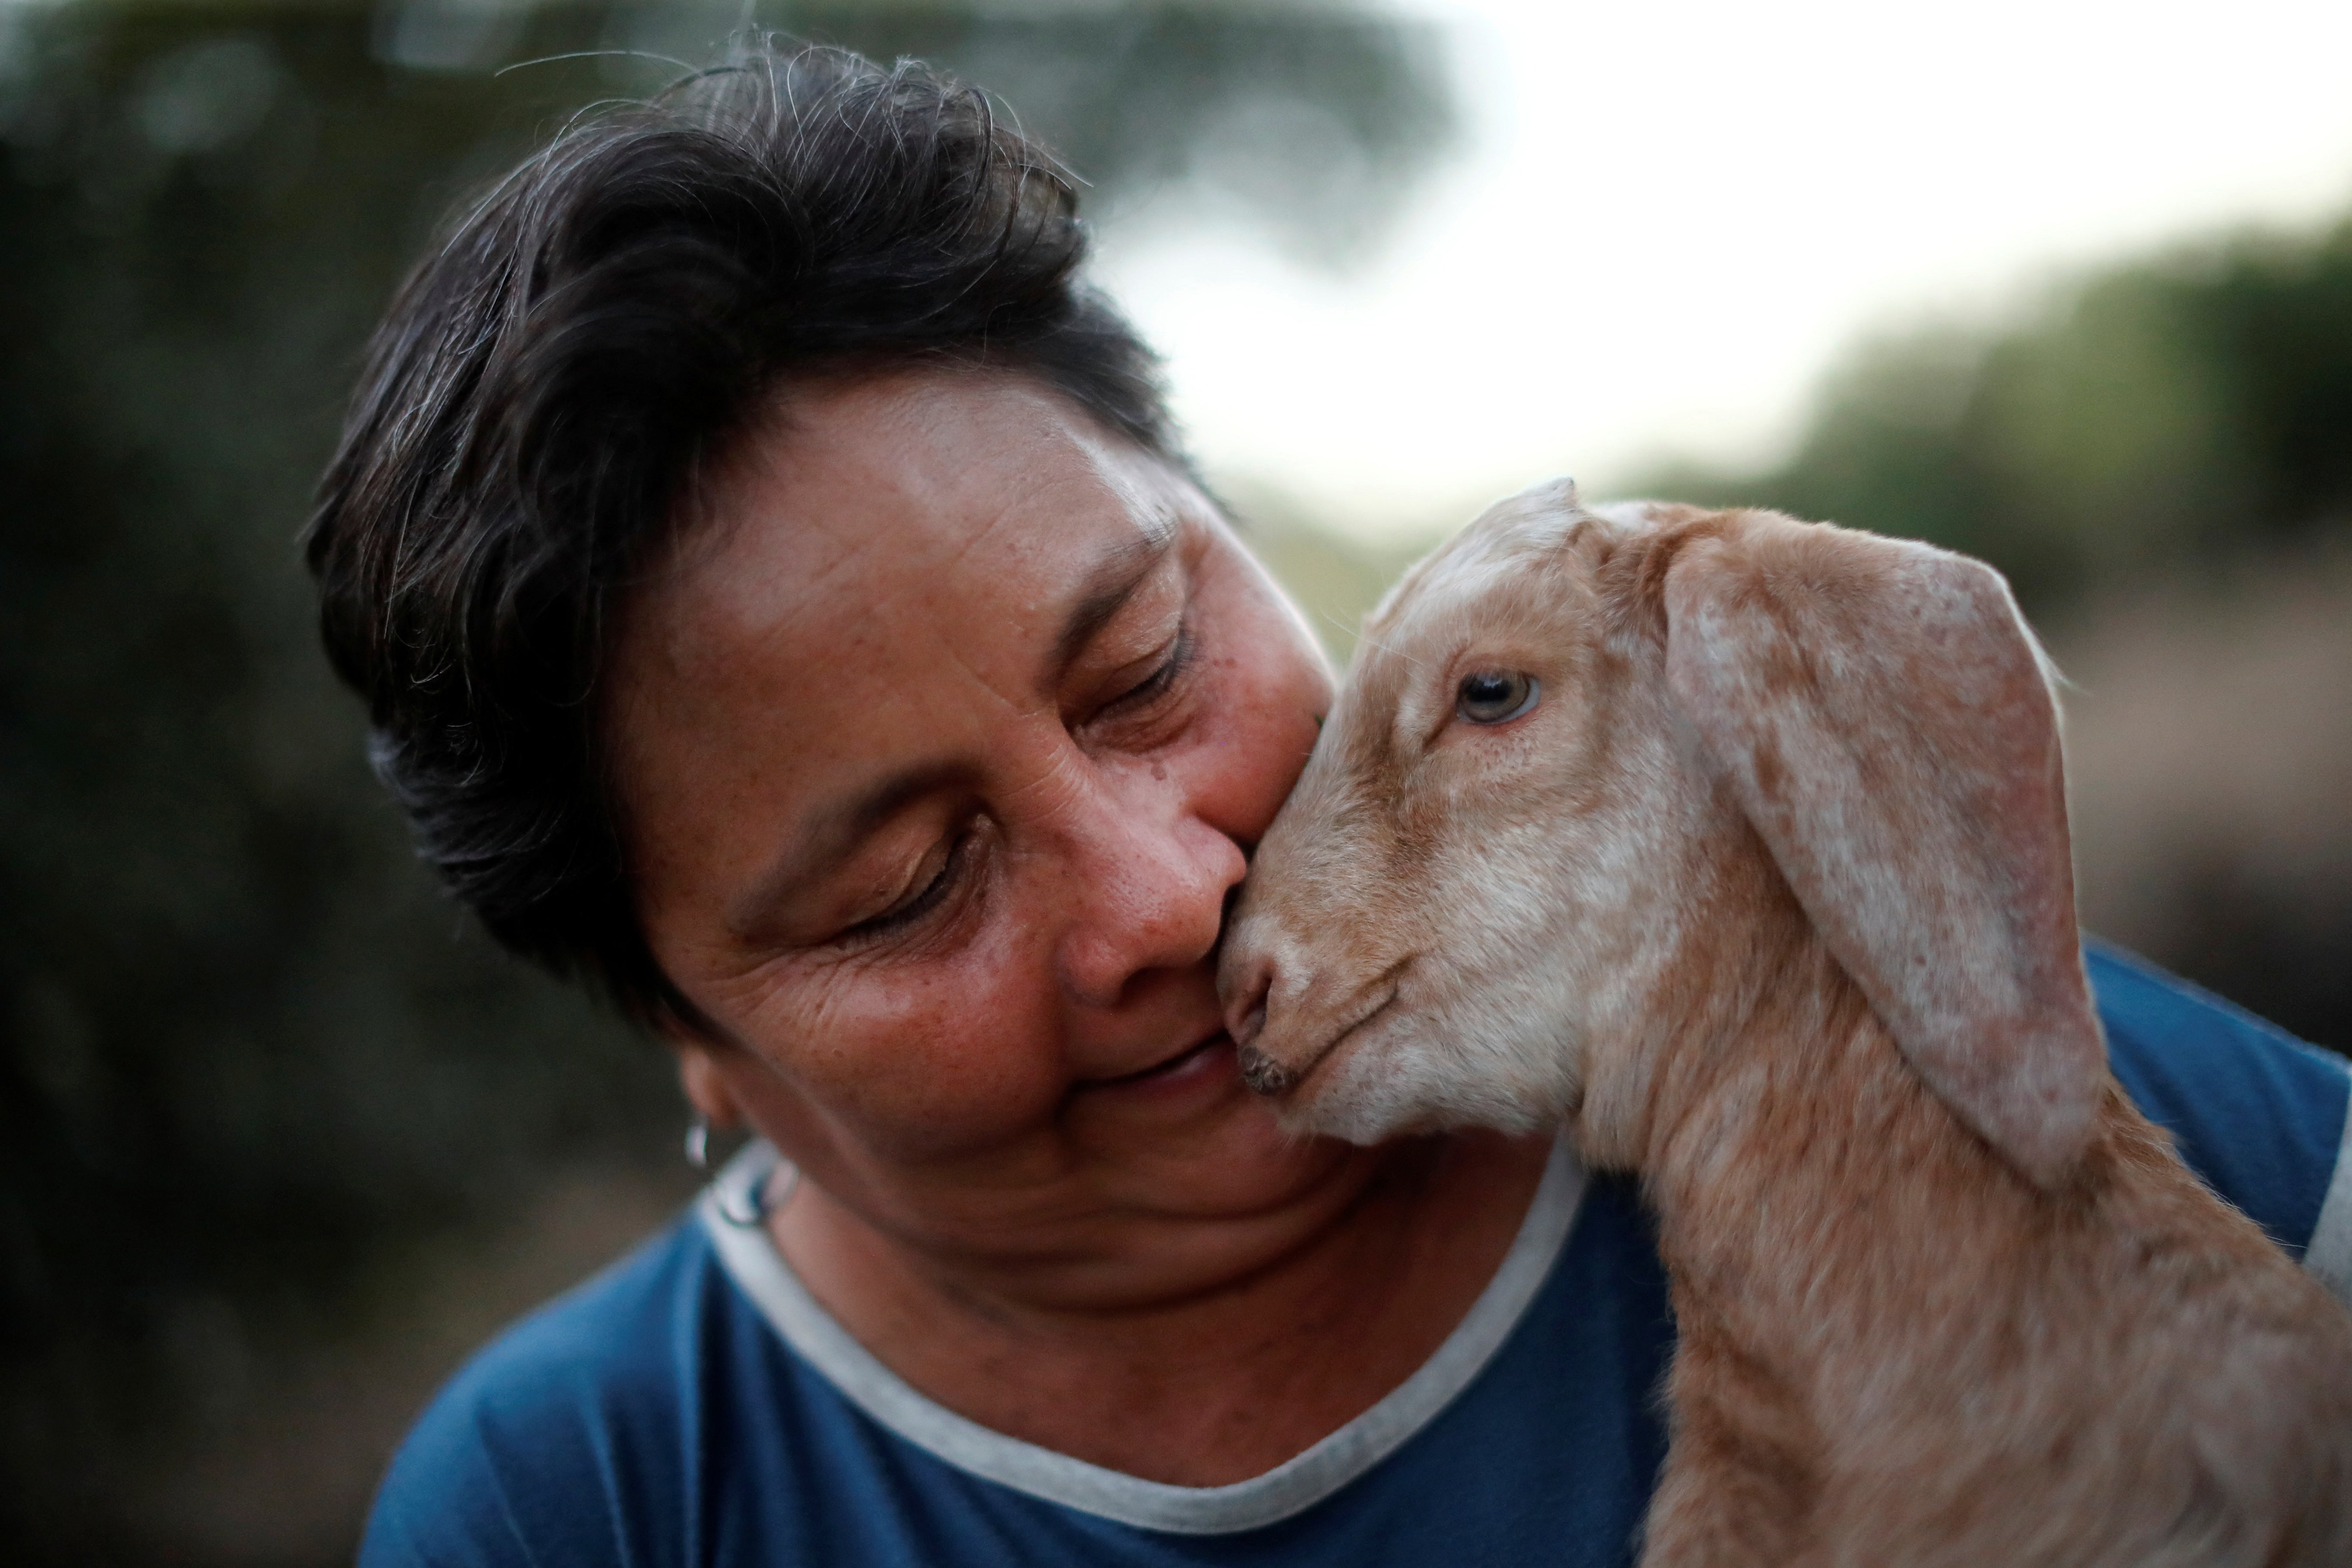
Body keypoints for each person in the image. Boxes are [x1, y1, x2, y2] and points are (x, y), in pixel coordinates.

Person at [310, 41, 2352, 1568]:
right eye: (908, 886)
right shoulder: (590, 1505)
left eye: (1145, 669)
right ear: (695, 1037)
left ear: (1225, 520)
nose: (1170, 893)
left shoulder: (1952, 1071)